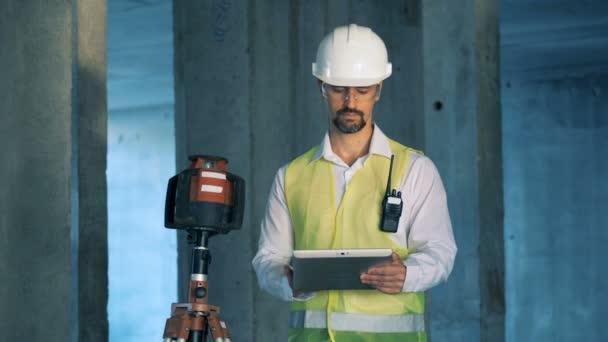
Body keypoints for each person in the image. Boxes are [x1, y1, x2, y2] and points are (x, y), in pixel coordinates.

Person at [252, 23, 457, 342]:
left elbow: (440, 251)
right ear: (321, 86)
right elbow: (267, 259)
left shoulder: (415, 170)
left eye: (362, 90)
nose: (350, 101)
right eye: (338, 88)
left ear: (378, 89)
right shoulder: (291, 176)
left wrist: (407, 275)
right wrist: (286, 281)